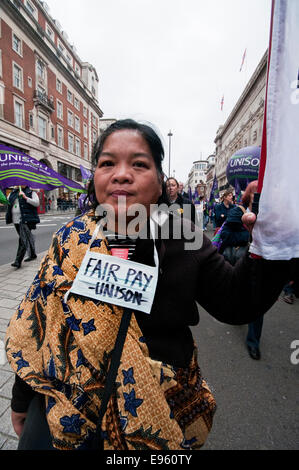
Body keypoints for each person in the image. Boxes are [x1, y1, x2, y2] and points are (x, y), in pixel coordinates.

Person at [5, 119, 297, 451]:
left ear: (159, 183)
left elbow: (237, 302)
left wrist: (271, 245)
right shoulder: (70, 238)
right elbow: (38, 329)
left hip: (154, 420)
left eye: (139, 164)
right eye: (107, 163)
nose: (121, 174)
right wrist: (21, 398)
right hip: (64, 414)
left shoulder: (182, 236)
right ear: (96, 177)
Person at [5, 185, 40, 269]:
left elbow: (37, 203)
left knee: (23, 239)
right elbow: (8, 203)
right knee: (26, 237)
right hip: (15, 220)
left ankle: (18, 261)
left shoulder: (31, 192)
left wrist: (25, 197)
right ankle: (33, 254)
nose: (19, 184)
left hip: (26, 219)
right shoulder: (12, 193)